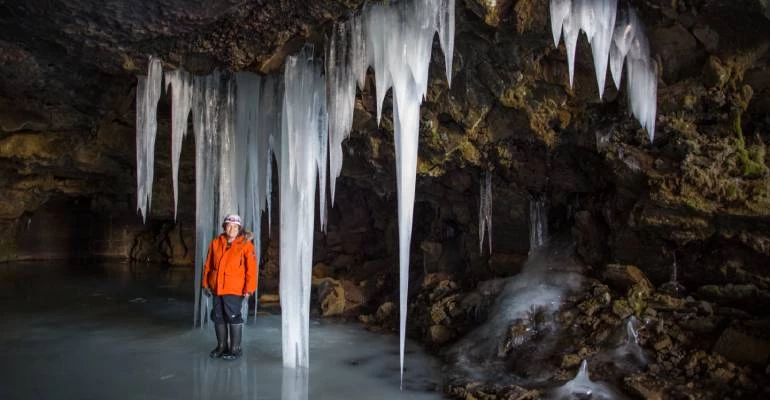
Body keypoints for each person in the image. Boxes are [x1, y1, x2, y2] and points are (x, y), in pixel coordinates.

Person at [201, 214, 258, 360]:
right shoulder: (216, 243)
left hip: (234, 288)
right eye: (229, 225)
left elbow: (251, 269)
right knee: (218, 316)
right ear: (224, 227)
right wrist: (205, 283)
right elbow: (208, 265)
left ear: (239, 228)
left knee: (232, 316)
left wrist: (249, 289)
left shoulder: (245, 245)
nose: (231, 228)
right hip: (216, 288)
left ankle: (235, 348)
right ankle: (221, 346)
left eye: (235, 226)